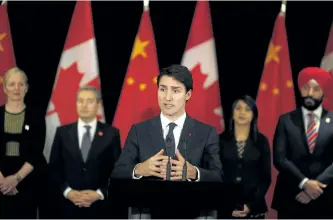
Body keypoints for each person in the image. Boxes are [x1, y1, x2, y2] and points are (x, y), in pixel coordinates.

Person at [112, 64, 224, 218]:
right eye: (163, 89)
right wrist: (139, 169)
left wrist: (194, 173)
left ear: (188, 94)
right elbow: (117, 173)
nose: (167, 97)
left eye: (176, 91)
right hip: (148, 213)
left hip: (191, 212)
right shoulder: (139, 130)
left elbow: (218, 177)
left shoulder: (205, 132)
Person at [48, 86, 122, 219]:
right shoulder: (62, 133)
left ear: (98, 105)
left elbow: (117, 170)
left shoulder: (111, 134)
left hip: (100, 208)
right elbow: (54, 168)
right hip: (67, 206)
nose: (84, 105)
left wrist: (99, 193)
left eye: (89, 101)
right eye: (80, 101)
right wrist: (68, 192)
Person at [272, 67, 333, 219]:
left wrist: (315, 186)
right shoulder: (285, 120)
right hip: (290, 196)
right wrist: (304, 183)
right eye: (306, 88)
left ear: (323, 92)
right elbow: (280, 158)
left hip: (324, 197)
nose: (310, 93)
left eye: (316, 89)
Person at [0, 67, 47, 218]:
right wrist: (2, 182)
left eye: (21, 84)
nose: (17, 88)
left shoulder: (36, 116)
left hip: (28, 181)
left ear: (26, 88)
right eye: (12, 84)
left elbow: (36, 152)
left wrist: (16, 179)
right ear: (5, 88)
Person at [219, 95, 271, 219]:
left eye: (247, 109)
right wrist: (227, 203)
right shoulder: (219, 140)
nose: (242, 113)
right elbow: (215, 174)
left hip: (254, 208)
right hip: (225, 207)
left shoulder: (261, 142)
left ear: (253, 114)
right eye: (238, 108)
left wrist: (250, 205)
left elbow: (265, 178)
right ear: (232, 112)